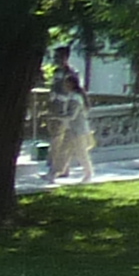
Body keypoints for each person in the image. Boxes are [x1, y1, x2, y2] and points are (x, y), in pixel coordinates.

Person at [49, 52, 97, 185]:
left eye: (66, 84)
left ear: (71, 85)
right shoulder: (72, 96)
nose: (64, 86)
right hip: (72, 129)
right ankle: (54, 173)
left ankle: (88, 174)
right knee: (63, 150)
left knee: (81, 153)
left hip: (78, 130)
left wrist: (56, 116)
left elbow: (72, 115)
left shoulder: (76, 98)